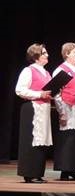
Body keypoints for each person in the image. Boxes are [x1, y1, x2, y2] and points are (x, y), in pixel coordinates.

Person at [15, 43, 53, 183]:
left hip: (44, 109)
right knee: (31, 141)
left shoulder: (47, 73)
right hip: (32, 108)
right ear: (36, 56)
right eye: (44, 53)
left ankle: (37, 172)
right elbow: (20, 90)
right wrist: (39, 94)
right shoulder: (28, 71)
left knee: (41, 141)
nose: (47, 55)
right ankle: (29, 173)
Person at [52, 43, 75, 181]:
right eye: (74, 52)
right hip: (66, 106)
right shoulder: (61, 70)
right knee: (67, 137)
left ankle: (72, 168)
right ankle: (64, 169)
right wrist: (61, 112)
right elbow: (56, 93)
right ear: (67, 54)